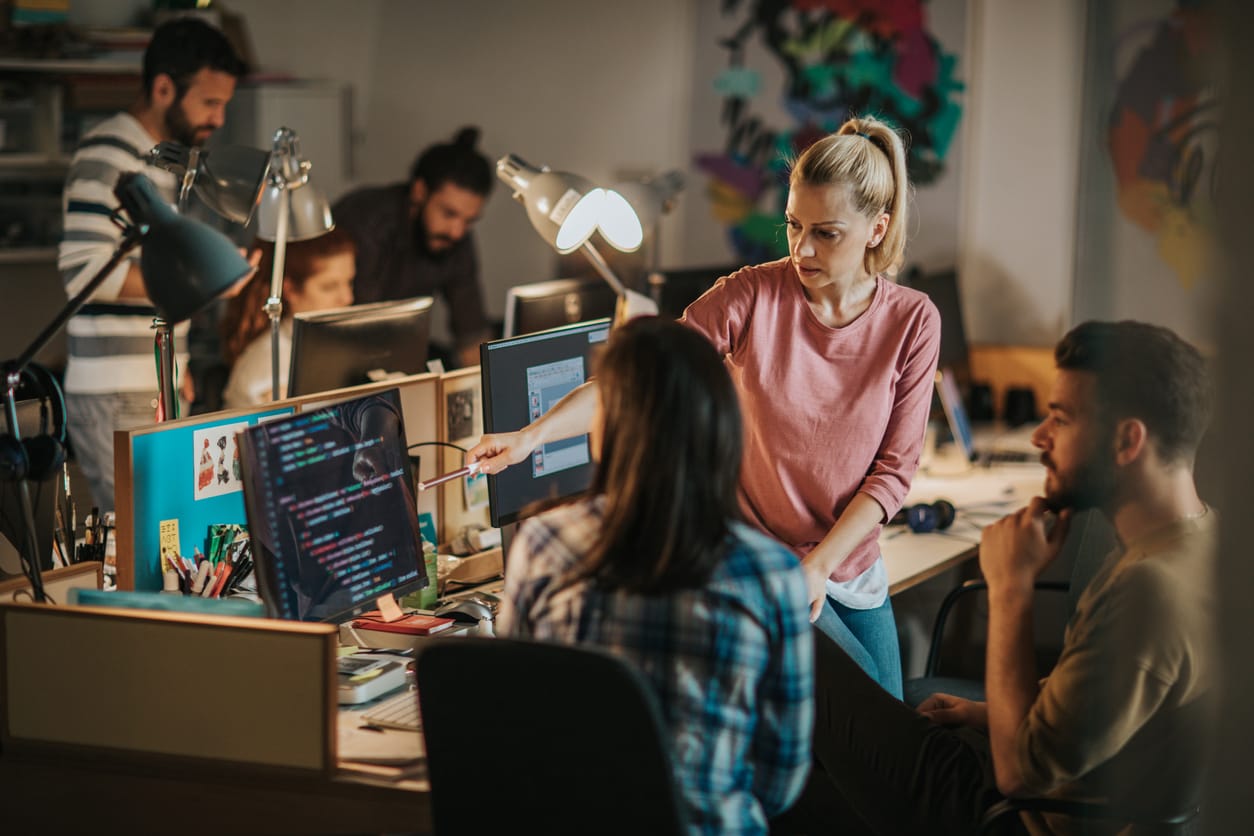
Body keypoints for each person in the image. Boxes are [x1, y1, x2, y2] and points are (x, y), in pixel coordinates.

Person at [473, 116, 940, 698]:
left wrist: (820, 565)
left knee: (890, 727)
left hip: (846, 560)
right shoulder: (752, 293)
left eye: (826, 233)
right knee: (867, 723)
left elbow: (893, 472)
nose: (801, 248)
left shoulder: (913, 320)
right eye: (794, 225)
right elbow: (644, 378)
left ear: (877, 229)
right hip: (758, 563)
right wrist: (530, 436)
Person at [776, 320, 1215, 836]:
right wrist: (985, 712)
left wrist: (1010, 588)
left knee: (786, 634)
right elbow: (1102, 697)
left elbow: (1018, 776)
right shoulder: (1201, 545)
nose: (1039, 436)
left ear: (1126, 440)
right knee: (803, 769)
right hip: (1029, 783)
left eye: (1061, 419)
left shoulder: (1146, 591)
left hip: (1002, 814)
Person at [496, 317, 814, 835]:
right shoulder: (772, 574)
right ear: (721, 430)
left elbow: (514, 714)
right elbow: (781, 780)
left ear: (607, 431)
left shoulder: (543, 544)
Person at [57, 17, 246, 513]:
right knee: (142, 538)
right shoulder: (109, 154)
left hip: (150, 382)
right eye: (210, 102)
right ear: (164, 88)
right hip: (115, 389)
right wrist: (199, 281)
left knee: (169, 535)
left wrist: (175, 365)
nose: (220, 118)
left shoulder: (161, 162)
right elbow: (84, 273)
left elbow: (152, 268)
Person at [332, 126, 494, 369]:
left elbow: (471, 332)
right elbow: (358, 327)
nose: (457, 231)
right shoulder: (368, 222)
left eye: (469, 221)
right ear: (419, 192)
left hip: (400, 352)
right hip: (345, 353)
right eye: (449, 213)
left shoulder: (456, 238)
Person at [219, 228, 356, 407]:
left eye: (349, 282)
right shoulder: (272, 367)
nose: (347, 298)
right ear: (290, 289)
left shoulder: (333, 348)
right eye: (329, 287)